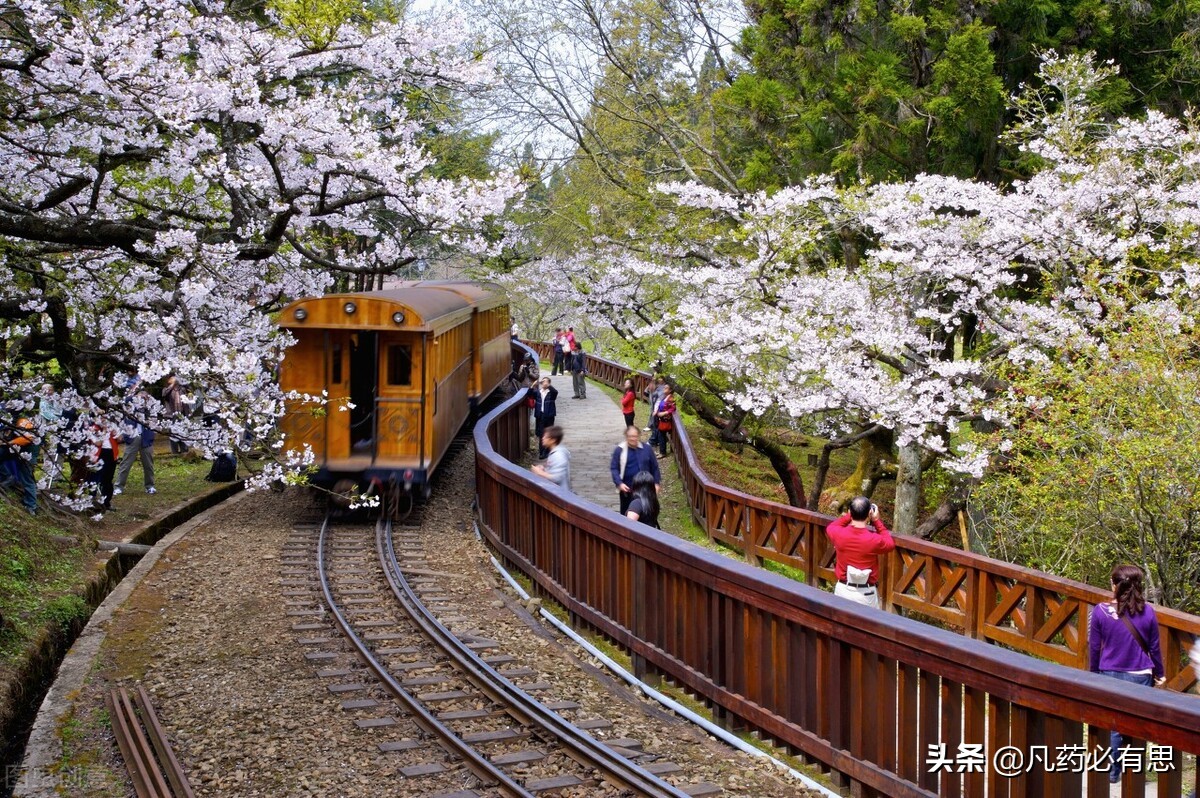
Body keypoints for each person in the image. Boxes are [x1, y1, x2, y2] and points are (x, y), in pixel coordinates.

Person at [1088, 564, 1165, 783]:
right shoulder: (1148, 611)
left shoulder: (1101, 610)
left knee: (1113, 726)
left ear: (1114, 585)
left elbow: (1094, 647)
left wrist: (1093, 673)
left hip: (1110, 672)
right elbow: (1154, 647)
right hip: (1141, 674)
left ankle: (1113, 772)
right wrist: (1160, 672)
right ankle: (1135, 773)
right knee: (1138, 724)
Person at [824, 496, 896, 609]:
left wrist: (849, 515)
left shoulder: (838, 533)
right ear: (869, 513)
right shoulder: (873, 540)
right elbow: (890, 543)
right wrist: (876, 521)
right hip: (866, 594)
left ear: (850, 512)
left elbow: (832, 526)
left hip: (843, 590)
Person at [609, 425, 661, 515]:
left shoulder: (647, 449)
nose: (633, 439)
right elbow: (614, 468)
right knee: (627, 513)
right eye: (630, 436)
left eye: (635, 436)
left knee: (647, 514)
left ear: (639, 436)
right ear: (626, 436)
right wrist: (619, 483)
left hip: (646, 490)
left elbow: (655, 467)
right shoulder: (619, 450)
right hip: (627, 490)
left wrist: (656, 483)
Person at [115, 398, 156, 495]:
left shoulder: (149, 408)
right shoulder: (130, 405)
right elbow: (125, 403)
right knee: (126, 463)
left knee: (148, 464)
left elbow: (154, 421)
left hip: (146, 437)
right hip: (132, 437)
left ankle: (150, 486)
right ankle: (119, 486)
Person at [2, 416, 39, 515]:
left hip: (28, 452)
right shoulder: (8, 420)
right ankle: (7, 476)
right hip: (13, 449)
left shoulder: (24, 420)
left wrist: (8, 443)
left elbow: (29, 438)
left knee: (27, 478)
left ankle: (31, 505)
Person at [531, 425, 571, 492]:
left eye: (546, 437)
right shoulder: (555, 452)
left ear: (553, 440)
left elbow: (557, 478)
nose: (543, 438)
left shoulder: (558, 455)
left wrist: (540, 472)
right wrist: (544, 469)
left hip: (560, 494)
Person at [532, 377, 558, 459]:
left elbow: (555, 392)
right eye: (543, 382)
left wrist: (549, 385)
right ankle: (542, 452)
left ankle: (548, 451)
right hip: (540, 415)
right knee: (541, 434)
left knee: (549, 433)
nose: (544, 383)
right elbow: (529, 394)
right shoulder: (538, 392)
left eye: (546, 382)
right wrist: (533, 385)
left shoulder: (551, 393)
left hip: (549, 415)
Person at [162, 375, 188, 454]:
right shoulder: (166, 389)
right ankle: (175, 452)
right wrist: (172, 385)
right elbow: (164, 395)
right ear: (168, 380)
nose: (175, 379)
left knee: (183, 432)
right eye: (172, 378)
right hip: (172, 414)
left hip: (182, 414)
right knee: (173, 434)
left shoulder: (182, 389)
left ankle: (184, 450)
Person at [652, 383, 676, 458]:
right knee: (660, 435)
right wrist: (657, 411)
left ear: (670, 390)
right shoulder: (665, 397)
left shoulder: (671, 398)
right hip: (661, 419)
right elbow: (660, 405)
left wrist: (664, 413)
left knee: (661, 435)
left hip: (666, 420)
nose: (664, 389)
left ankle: (663, 452)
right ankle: (662, 451)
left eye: (666, 388)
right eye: (664, 388)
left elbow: (673, 408)